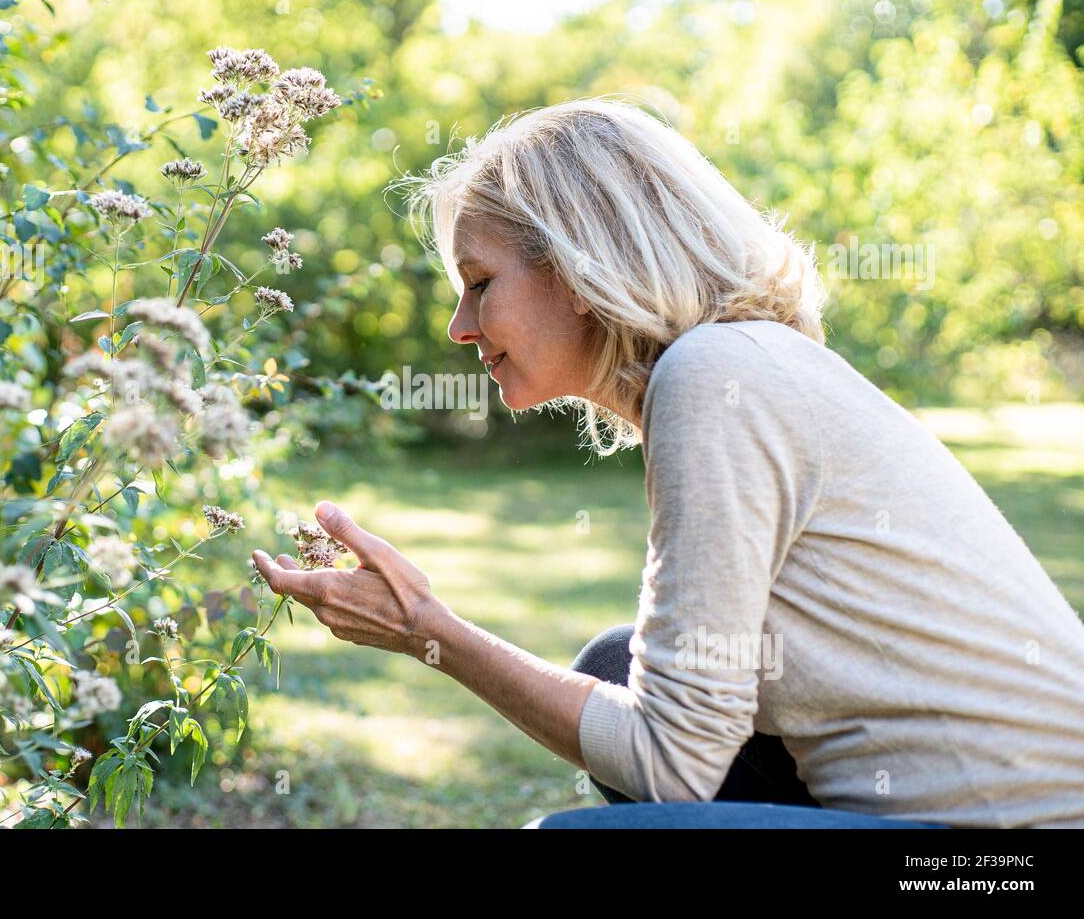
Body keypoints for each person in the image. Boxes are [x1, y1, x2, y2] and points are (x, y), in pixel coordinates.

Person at [251, 97, 1084, 828]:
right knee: (615, 666)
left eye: (479, 283)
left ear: (578, 267)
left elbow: (670, 768)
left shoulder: (715, 377)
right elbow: (685, 731)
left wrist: (430, 633)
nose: (459, 327)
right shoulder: (740, 367)